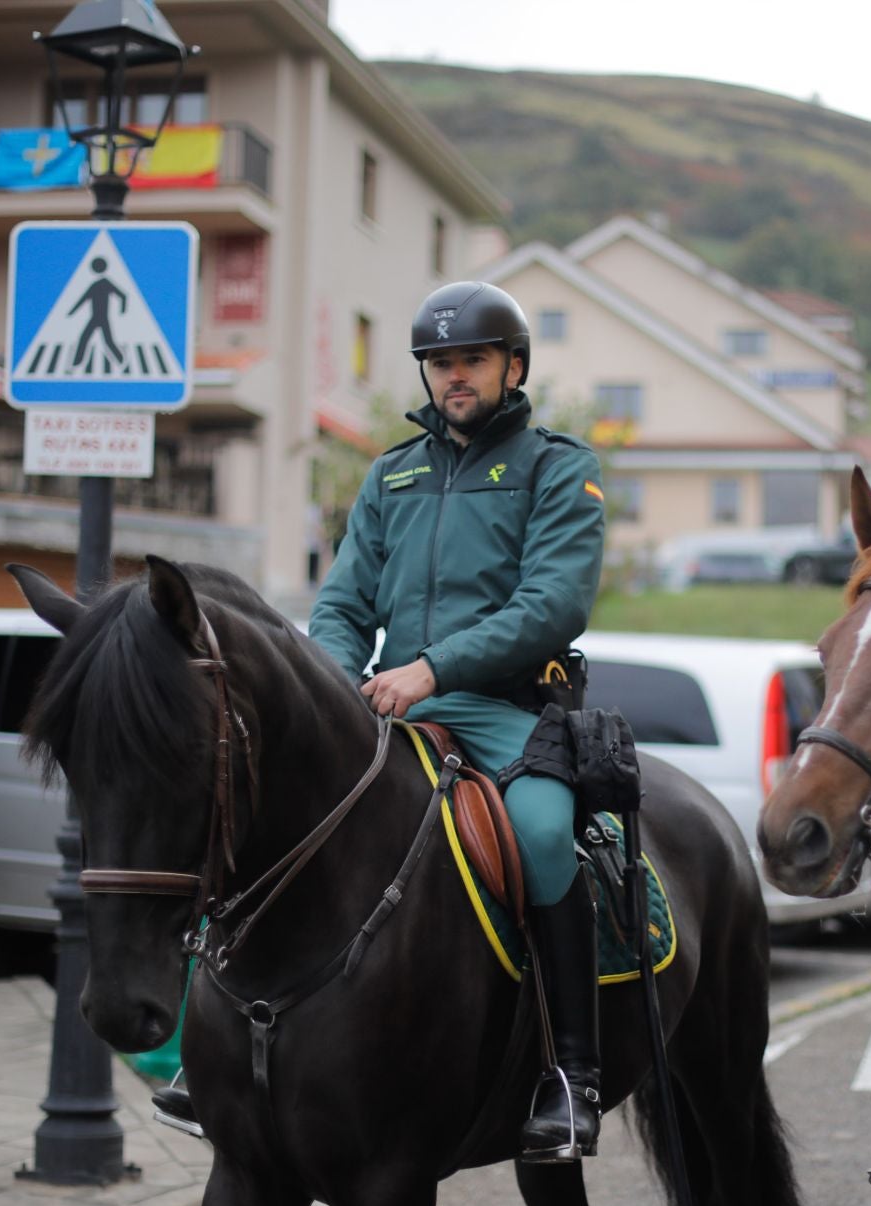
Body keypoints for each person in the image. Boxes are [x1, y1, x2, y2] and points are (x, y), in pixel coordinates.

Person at [152, 282, 609, 1161]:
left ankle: (570, 1075)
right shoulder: (390, 473)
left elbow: (554, 603)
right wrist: (324, 687)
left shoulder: (558, 467)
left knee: (546, 833)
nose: (454, 377)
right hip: (389, 704)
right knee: (253, 816)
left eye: (471, 360)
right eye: (440, 364)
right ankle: (200, 1057)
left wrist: (434, 667)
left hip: (503, 706)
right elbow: (345, 601)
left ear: (512, 366)